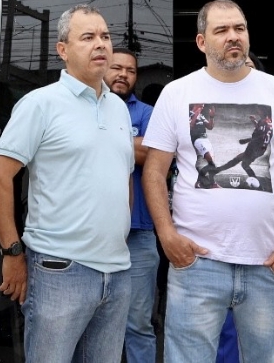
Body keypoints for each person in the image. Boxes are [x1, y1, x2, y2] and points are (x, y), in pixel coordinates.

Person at [143, 0, 274, 363]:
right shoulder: (177, 94)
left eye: (239, 28)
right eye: (221, 30)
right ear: (202, 42)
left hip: (268, 264)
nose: (233, 36)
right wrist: (166, 235)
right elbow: (154, 171)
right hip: (196, 264)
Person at [0, 5, 135, 363]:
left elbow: (123, 178)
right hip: (58, 271)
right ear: (63, 50)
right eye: (88, 37)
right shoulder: (41, 104)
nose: (100, 44)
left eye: (105, 36)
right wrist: (12, 252)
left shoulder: (118, 108)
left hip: (116, 272)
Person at [108, 47, 160, 363]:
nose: (123, 75)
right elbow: (137, 150)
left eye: (130, 70)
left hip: (139, 235)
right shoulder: (86, 108)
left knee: (138, 324)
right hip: (92, 233)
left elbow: (152, 154)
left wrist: (100, 140)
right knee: (95, 321)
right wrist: (130, 143)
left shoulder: (146, 113)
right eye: (116, 68)